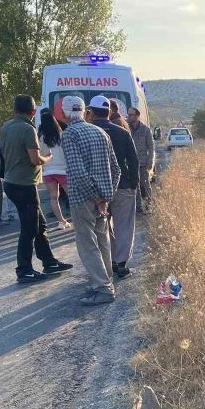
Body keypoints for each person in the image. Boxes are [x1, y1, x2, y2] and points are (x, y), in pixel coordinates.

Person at [0, 94, 73, 283]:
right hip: (24, 185)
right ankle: (24, 270)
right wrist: (47, 158)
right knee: (29, 228)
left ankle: (49, 261)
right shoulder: (27, 129)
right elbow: (34, 160)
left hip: (11, 182)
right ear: (33, 112)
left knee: (40, 225)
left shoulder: (6, 127)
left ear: (14, 110)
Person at [60, 95, 121, 306]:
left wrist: (96, 198)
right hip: (102, 198)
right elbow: (116, 169)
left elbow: (78, 173)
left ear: (64, 112)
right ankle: (105, 281)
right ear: (84, 110)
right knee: (102, 240)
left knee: (88, 244)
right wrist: (106, 196)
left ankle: (102, 288)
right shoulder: (101, 132)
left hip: (83, 198)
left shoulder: (69, 135)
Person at [86, 95, 139, 279]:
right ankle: (121, 263)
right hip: (123, 185)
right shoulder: (122, 132)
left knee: (102, 226)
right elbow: (133, 160)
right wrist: (134, 184)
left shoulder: (88, 132)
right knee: (124, 225)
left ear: (91, 112)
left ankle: (108, 262)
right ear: (110, 111)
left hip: (97, 189)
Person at [38, 108, 71, 230]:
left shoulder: (41, 138)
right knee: (72, 196)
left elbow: (40, 153)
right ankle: (78, 220)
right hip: (63, 170)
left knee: (53, 197)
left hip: (48, 171)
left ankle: (62, 221)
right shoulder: (62, 135)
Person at [127, 107, 155, 214]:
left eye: (130, 115)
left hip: (143, 162)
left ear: (137, 116)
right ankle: (138, 208)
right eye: (128, 115)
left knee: (145, 184)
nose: (128, 117)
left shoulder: (145, 129)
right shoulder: (127, 128)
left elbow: (151, 147)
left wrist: (150, 161)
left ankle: (148, 206)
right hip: (131, 163)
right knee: (135, 186)